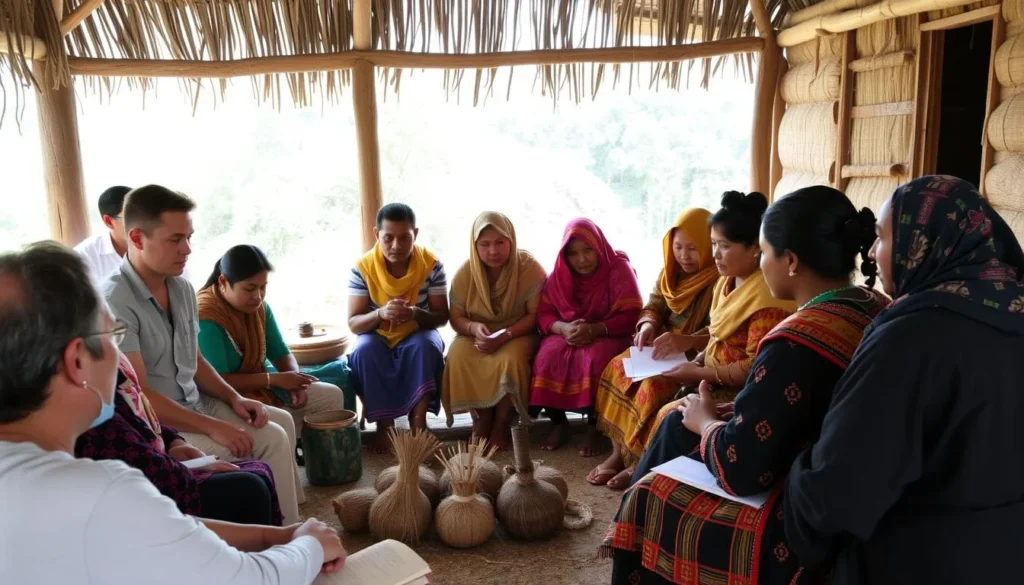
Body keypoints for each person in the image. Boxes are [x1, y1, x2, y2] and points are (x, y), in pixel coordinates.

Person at [0, 241, 345, 585]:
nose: (187, 249)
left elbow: (173, 528)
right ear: (77, 362)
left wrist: (279, 537)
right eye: (113, 335)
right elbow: (248, 579)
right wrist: (311, 546)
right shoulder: (102, 491)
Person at [601, 186, 887, 585]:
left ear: (790, 261)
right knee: (673, 423)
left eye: (765, 252)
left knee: (652, 492)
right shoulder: (871, 304)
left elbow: (741, 466)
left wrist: (706, 424)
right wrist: (732, 411)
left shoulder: (796, 340)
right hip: (838, 463)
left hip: (804, 497)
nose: (760, 263)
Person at [785, 176, 1024, 585]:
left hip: (921, 561)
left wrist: (797, 470)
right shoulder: (1011, 311)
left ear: (923, 242)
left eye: (881, 237)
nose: (874, 253)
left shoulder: (911, 338)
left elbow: (839, 495)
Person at [102, 185, 305, 525]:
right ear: (136, 238)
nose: (188, 249)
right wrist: (214, 428)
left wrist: (235, 398)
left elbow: (193, 360)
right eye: (175, 239)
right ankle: (279, 538)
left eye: (189, 237)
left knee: (278, 420)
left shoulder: (180, 287)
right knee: (269, 437)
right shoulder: (114, 300)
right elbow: (140, 396)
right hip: (161, 425)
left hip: (195, 401)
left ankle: (285, 521)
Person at [591, 208, 720, 489]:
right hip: (660, 347)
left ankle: (640, 462)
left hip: (697, 354)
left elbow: (722, 330)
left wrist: (688, 340)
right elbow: (654, 306)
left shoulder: (720, 279)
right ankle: (618, 453)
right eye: (678, 247)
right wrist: (647, 325)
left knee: (651, 388)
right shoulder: (669, 273)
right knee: (617, 368)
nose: (684, 256)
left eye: (692, 248)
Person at [647, 191, 795, 434]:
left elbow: (754, 366)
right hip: (709, 376)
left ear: (755, 248)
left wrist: (701, 373)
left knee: (670, 416)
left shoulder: (766, 296)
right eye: (713, 243)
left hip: (737, 390)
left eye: (724, 246)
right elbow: (717, 334)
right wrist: (697, 359)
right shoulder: (725, 282)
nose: (714, 254)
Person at [76, 353, 283, 525]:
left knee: (257, 470)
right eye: (107, 334)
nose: (114, 342)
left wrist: (175, 441)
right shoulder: (86, 395)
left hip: (162, 450)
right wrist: (188, 466)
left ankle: (282, 545)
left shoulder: (109, 362)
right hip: (150, 482)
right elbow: (128, 453)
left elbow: (140, 413)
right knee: (248, 486)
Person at [196, 245, 349, 453]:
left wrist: (295, 383)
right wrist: (275, 380)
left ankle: (323, 471)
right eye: (250, 289)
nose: (258, 296)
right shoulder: (205, 316)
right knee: (280, 421)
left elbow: (281, 353)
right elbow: (219, 380)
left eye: (263, 287)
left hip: (265, 385)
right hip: (223, 399)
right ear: (223, 282)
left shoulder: (259, 308)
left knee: (331, 395)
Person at [529, 218, 643, 456]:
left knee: (595, 358)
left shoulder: (618, 268)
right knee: (547, 356)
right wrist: (563, 328)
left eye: (588, 250)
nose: (581, 260)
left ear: (599, 246)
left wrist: (595, 330)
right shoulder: (559, 274)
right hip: (568, 333)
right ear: (565, 255)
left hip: (609, 333)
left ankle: (595, 427)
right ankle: (559, 423)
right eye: (573, 254)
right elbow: (544, 314)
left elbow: (632, 315)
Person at [347, 203, 449, 453]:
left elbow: (441, 317)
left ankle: (419, 425)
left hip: (418, 331)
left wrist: (415, 313)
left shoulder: (431, 265)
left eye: (405, 238)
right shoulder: (363, 268)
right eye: (388, 238)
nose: (396, 246)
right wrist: (381, 313)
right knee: (365, 350)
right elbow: (354, 323)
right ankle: (385, 427)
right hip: (376, 334)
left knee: (425, 346)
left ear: (416, 233)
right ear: (376, 235)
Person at [442, 212, 547, 450]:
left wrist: (506, 335)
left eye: (500, 242)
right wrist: (473, 327)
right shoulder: (467, 271)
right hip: (477, 333)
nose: (493, 251)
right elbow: (456, 317)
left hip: (518, 332)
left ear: (511, 240)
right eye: (484, 244)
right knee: (459, 355)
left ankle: (501, 424)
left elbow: (535, 315)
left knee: (510, 360)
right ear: (475, 245)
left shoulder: (528, 267)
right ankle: (481, 419)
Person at [75, 185, 191, 285]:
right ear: (109, 221)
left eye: (147, 216)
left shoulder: (169, 252)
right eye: (129, 217)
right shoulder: (83, 258)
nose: (143, 222)